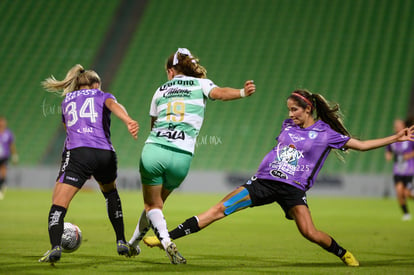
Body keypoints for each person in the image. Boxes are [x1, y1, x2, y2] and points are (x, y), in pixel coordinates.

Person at [143, 89, 414, 267]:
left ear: (307, 109)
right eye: (288, 110)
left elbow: (363, 145)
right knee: (219, 209)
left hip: (293, 190)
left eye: (294, 110)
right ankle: (165, 238)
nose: (290, 115)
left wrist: (396, 137)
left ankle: (343, 253)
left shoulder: (326, 133)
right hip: (263, 182)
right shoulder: (287, 125)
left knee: (309, 232)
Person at [127, 48, 256, 264]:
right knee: (156, 205)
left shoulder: (160, 90)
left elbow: (153, 125)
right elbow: (221, 93)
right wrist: (242, 92)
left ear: (170, 71)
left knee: (152, 206)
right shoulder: (201, 84)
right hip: (182, 157)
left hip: (155, 150)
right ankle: (132, 245)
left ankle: (166, 240)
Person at [38, 64, 139, 263]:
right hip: (105, 154)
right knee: (110, 193)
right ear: (95, 85)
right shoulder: (102, 95)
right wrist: (128, 120)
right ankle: (120, 241)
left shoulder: (66, 101)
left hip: (79, 153)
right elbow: (115, 106)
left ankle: (55, 247)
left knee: (58, 204)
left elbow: (69, 130)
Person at [385, 118, 414, 221]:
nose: (397, 126)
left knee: (407, 194)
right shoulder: (392, 139)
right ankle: (406, 214)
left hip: (409, 170)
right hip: (398, 170)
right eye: (396, 125)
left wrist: (409, 155)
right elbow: (388, 150)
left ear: (403, 125)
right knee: (399, 191)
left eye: (399, 125)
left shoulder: (410, 137)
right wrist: (388, 155)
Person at [0, 116, 18, 200]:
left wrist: (14, 155)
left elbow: (11, 145)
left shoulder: (8, 133)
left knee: (3, 171)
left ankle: (2, 187)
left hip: (4, 156)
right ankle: (3, 184)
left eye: (3, 121)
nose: (2, 123)